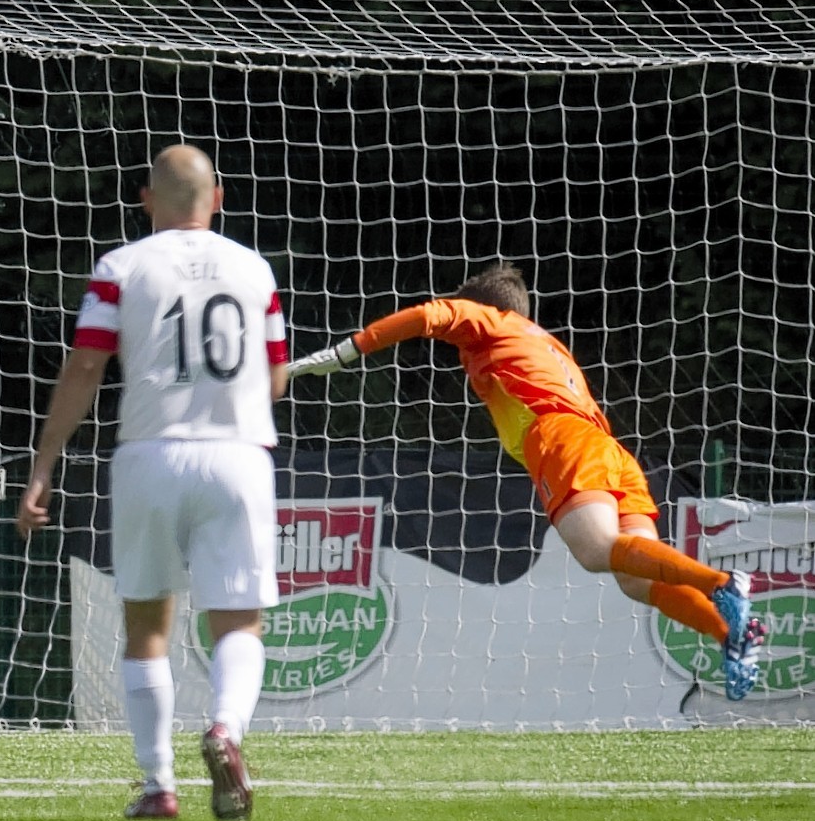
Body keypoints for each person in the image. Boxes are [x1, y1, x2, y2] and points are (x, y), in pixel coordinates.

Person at [287, 264, 765, 700]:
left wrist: (349, 351)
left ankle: (724, 583)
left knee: (597, 550)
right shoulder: (546, 344)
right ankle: (733, 634)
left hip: (561, 438)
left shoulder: (492, 322)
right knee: (635, 581)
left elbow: (426, 316)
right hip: (608, 448)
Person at [18, 145, 288, 821]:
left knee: (146, 624)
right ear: (217, 199)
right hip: (237, 456)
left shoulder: (121, 267)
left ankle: (158, 785)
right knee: (239, 622)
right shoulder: (253, 269)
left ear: (145, 200)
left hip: (149, 455)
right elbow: (276, 376)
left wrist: (43, 463)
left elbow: (84, 367)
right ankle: (225, 728)